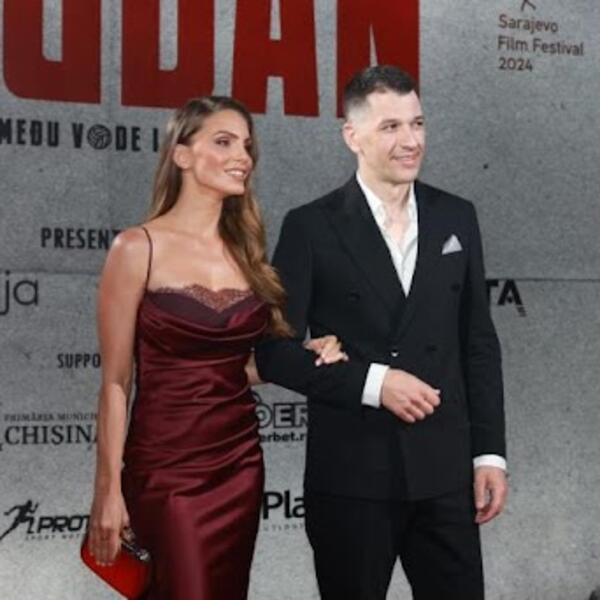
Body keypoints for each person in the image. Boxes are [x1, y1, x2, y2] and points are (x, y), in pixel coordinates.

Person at [255, 65, 508, 599]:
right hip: (352, 477)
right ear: (353, 136)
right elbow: (274, 351)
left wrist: (489, 454)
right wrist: (375, 384)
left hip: (445, 474)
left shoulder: (457, 217)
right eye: (391, 127)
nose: (410, 141)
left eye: (417, 123)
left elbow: (479, 345)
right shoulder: (311, 226)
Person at [86, 96, 345, 600]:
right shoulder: (137, 248)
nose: (242, 157)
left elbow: (237, 369)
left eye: (247, 146)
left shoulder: (248, 256)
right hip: (166, 468)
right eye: (224, 142)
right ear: (181, 154)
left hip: (239, 465)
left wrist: (308, 352)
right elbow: (116, 383)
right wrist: (107, 491)